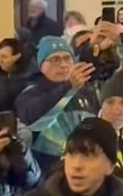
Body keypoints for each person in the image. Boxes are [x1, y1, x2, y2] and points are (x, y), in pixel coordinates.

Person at [15, 36, 98, 175]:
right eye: (55, 59)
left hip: (84, 167)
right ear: (42, 66)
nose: (63, 65)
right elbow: (33, 120)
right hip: (47, 172)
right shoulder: (30, 93)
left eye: (67, 58)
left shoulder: (84, 91)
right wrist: (67, 87)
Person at [0, 37, 37, 114]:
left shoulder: (30, 76)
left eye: (4, 57)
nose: (0, 61)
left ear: (17, 56)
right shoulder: (0, 71)